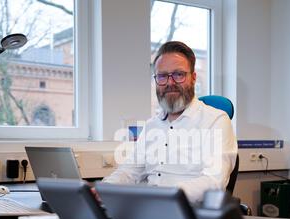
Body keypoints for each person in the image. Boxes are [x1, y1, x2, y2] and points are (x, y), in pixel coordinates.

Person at [93, 41, 237, 203]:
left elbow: (213, 182)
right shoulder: (152, 125)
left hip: (192, 215)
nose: (170, 82)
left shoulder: (216, 120)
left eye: (178, 74)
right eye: (162, 76)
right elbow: (131, 170)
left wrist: (163, 196)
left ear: (193, 78)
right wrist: (104, 189)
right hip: (150, 210)